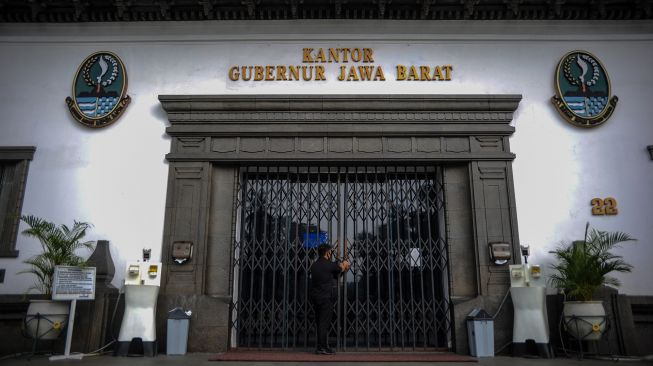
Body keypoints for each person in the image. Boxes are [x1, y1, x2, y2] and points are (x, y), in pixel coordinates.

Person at [309, 243, 350, 355]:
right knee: (324, 323)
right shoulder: (328, 264)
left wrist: (341, 269)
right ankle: (322, 348)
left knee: (319, 322)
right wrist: (345, 264)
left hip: (316, 297)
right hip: (325, 298)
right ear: (327, 252)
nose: (331, 253)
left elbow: (332, 275)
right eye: (331, 251)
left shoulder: (314, 265)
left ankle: (321, 346)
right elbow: (339, 268)